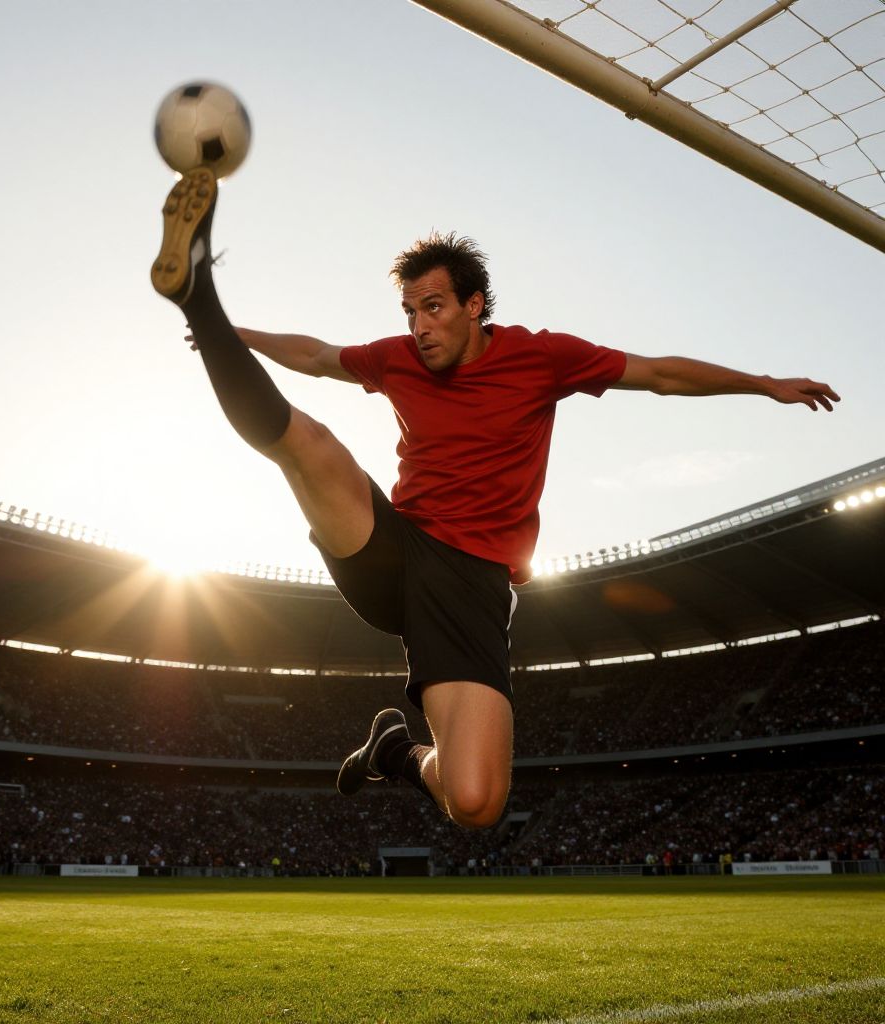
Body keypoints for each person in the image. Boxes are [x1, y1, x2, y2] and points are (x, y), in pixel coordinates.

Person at [151, 167, 839, 830]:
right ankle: (200, 295)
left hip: (468, 584)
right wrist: (235, 334)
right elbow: (319, 355)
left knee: (475, 803)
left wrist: (764, 382)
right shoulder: (398, 357)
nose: (419, 326)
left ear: (474, 305)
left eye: (434, 307)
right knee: (309, 445)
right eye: (410, 311)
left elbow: (659, 374)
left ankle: (394, 751)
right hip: (391, 548)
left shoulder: (543, 358)